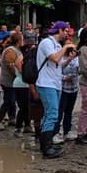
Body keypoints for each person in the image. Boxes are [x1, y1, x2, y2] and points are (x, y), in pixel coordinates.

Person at [34, 21, 75, 159]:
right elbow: (55, 58)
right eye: (66, 31)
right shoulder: (46, 43)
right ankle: (46, 147)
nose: (67, 34)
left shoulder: (57, 45)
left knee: (50, 114)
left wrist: (69, 59)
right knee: (52, 114)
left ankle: (47, 142)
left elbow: (59, 64)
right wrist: (66, 48)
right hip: (46, 83)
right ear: (60, 30)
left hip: (55, 83)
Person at [53, 48, 79, 143]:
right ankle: (55, 133)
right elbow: (55, 72)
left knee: (69, 111)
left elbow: (79, 70)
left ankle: (67, 131)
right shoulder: (60, 58)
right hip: (63, 88)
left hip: (74, 88)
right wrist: (64, 78)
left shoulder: (77, 58)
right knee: (59, 112)